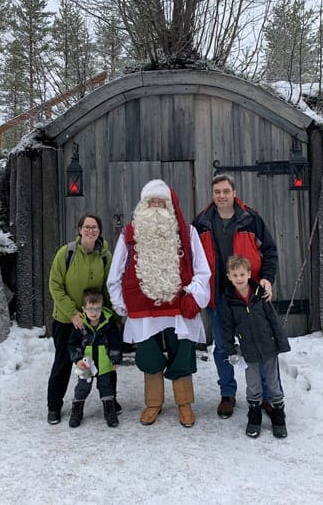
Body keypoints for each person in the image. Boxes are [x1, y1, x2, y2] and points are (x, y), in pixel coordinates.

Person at [107, 179, 211, 427]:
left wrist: (194, 295)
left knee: (182, 354)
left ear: (169, 205)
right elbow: (116, 271)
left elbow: (202, 270)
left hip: (177, 307)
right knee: (149, 355)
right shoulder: (130, 234)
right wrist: (121, 303)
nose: (156, 206)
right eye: (151, 202)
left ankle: (184, 403)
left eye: (160, 202)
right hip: (143, 309)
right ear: (143, 205)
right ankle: (153, 403)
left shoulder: (187, 232)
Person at [192, 174, 279, 420]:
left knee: (258, 344)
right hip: (218, 295)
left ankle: (264, 395)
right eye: (217, 191)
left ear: (234, 193)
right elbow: (191, 257)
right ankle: (227, 393)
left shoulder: (251, 219)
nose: (221, 196)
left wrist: (267, 278)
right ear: (212, 194)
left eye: (225, 191)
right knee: (222, 347)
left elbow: (269, 250)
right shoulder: (201, 222)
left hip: (248, 295)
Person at [46, 213, 115, 424]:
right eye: (87, 227)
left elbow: (109, 286)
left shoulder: (104, 256)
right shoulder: (66, 253)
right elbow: (55, 285)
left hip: (95, 321)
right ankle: (54, 405)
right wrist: (73, 313)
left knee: (104, 361)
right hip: (68, 320)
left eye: (94, 227)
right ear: (79, 229)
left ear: (99, 231)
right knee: (64, 362)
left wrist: (111, 317)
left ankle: (111, 400)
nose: (90, 230)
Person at [220, 254, 291, 438]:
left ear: (250, 274)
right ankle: (254, 415)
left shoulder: (260, 295)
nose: (239, 279)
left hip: (268, 346)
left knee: (272, 381)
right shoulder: (229, 300)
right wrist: (230, 349)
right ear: (229, 277)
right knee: (253, 383)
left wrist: (281, 342)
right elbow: (227, 327)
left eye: (242, 274)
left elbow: (273, 320)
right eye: (235, 275)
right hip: (247, 350)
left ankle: (278, 414)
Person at [67, 288, 123, 428]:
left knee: (106, 386)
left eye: (97, 309)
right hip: (87, 363)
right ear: (84, 309)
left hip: (104, 362)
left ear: (102, 308)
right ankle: (77, 410)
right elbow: (72, 344)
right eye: (90, 309)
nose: (94, 313)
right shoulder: (80, 325)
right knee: (83, 387)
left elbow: (115, 342)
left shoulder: (108, 324)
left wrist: (115, 359)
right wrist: (78, 359)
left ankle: (109, 411)